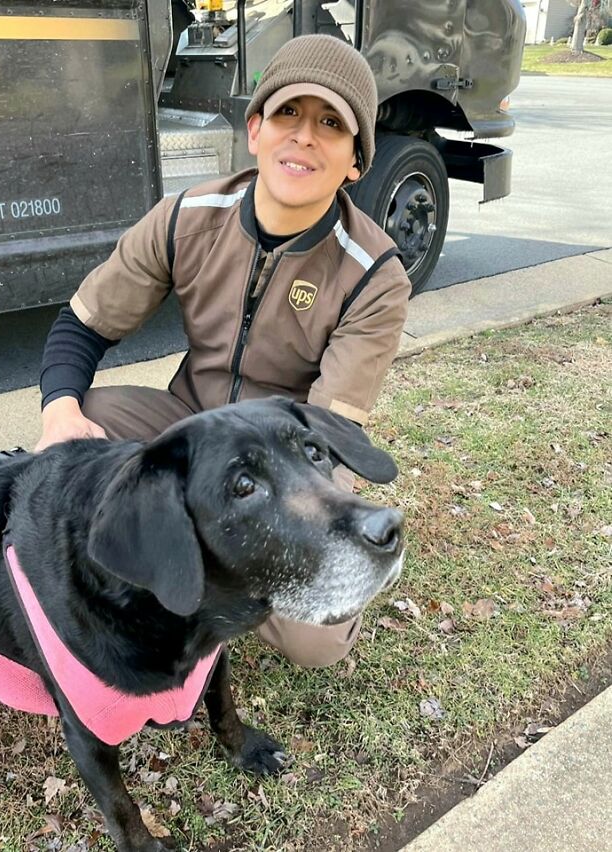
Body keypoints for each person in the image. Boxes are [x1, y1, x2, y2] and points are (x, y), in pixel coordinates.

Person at [36, 34, 411, 667]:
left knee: (312, 640)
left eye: (331, 124)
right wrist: (59, 412)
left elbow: (332, 426)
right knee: (86, 416)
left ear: (356, 160)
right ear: (255, 129)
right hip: (192, 426)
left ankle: (216, 562)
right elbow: (83, 325)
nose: (304, 137)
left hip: (294, 454)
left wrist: (270, 505)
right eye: (288, 113)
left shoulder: (374, 274)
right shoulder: (185, 216)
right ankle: (140, 559)